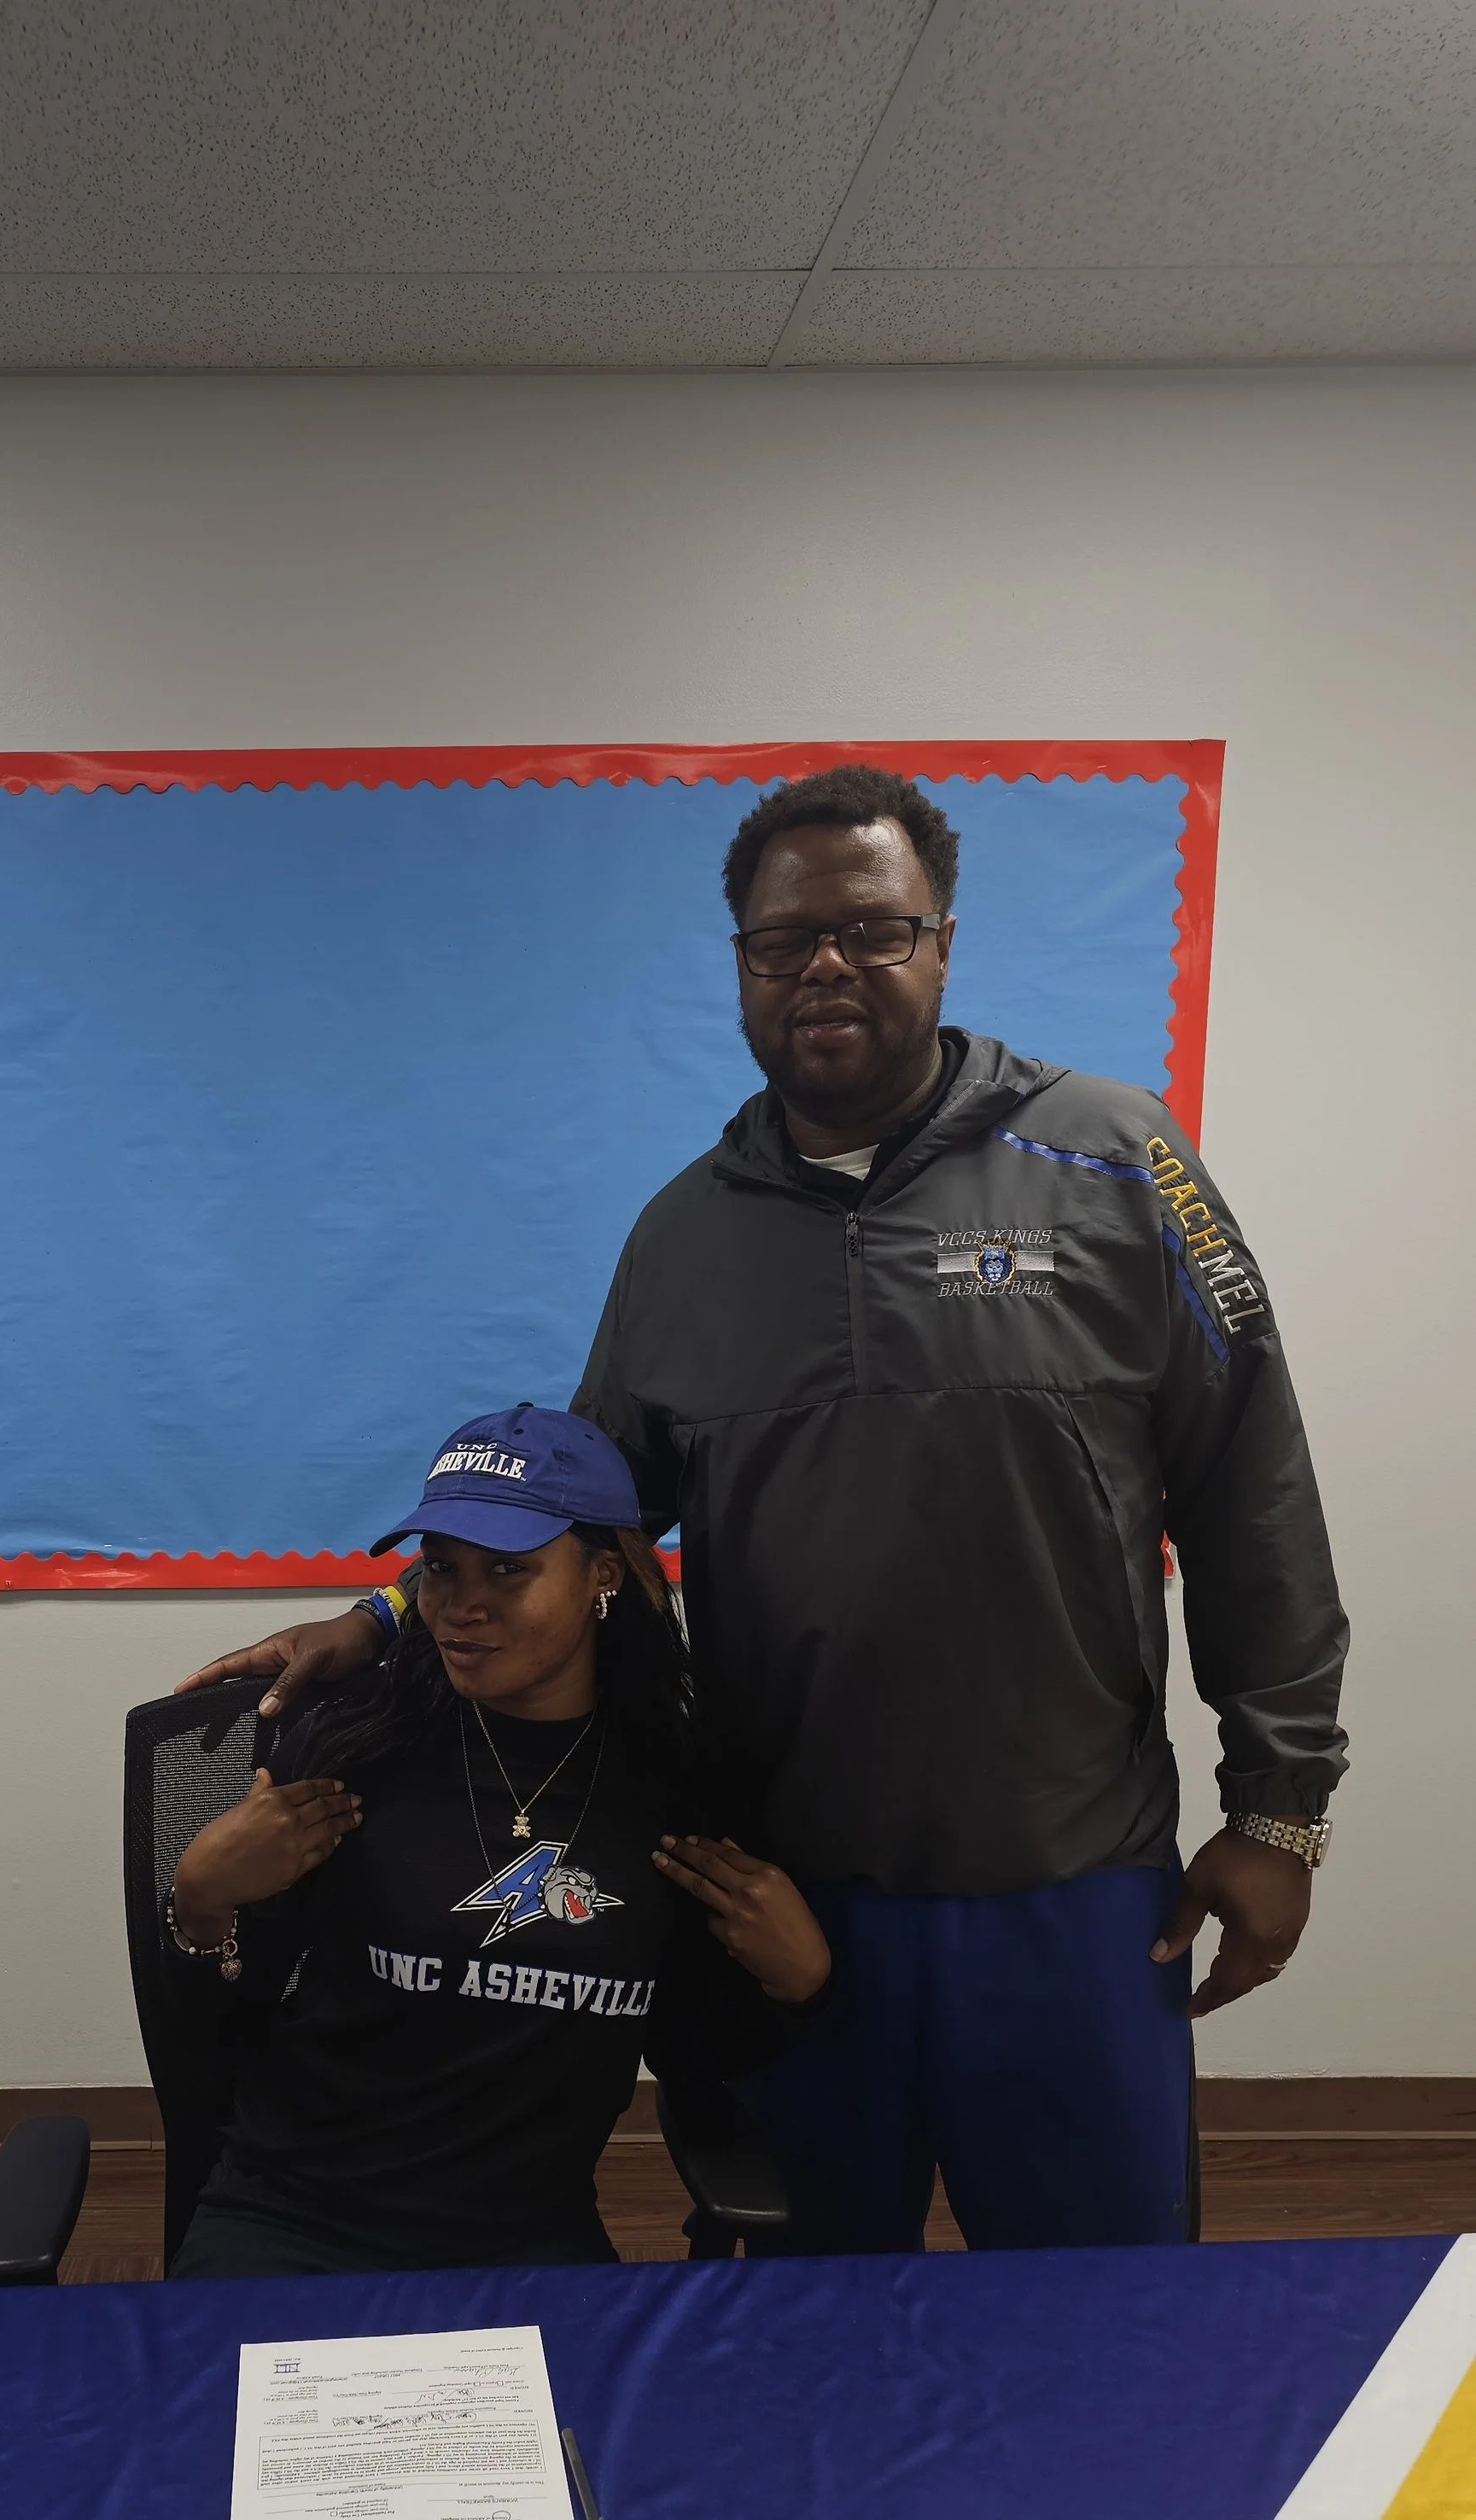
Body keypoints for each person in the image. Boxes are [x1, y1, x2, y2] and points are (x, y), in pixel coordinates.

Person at [182, 765, 1347, 2255]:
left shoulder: (1121, 1162)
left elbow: (1255, 1489)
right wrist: (384, 1616)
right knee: (803, 2317)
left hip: (1068, 1880)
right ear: (741, 965)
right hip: (779, 1890)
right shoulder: (684, 1237)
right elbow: (579, 1519)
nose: (827, 966)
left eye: (874, 929)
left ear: (941, 942)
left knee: (1099, 2312)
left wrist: (1281, 1808)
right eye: (785, 940)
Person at [164, 1402, 829, 2278]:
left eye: (508, 1568)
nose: (461, 1606)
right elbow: (218, 2041)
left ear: (602, 1576)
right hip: (295, 2222)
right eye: (441, 1568)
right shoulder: (354, 1752)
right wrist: (203, 1902)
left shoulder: (675, 1786)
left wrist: (793, 1985)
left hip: (526, 2240)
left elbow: (689, 2055)